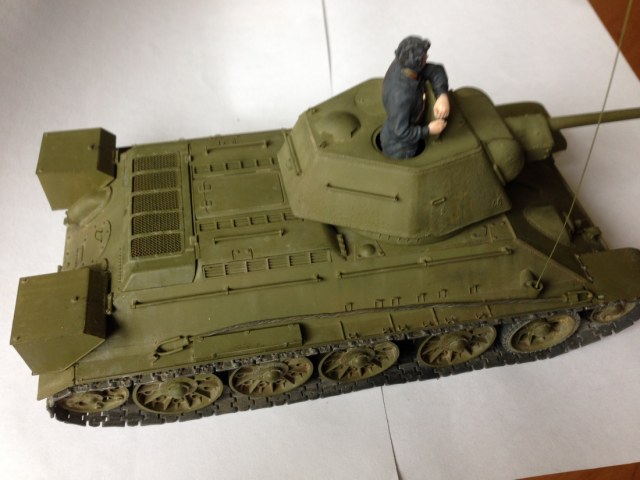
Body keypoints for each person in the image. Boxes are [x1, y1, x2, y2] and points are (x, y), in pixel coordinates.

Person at [380, 36, 450, 159]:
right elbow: (400, 132)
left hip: (405, 125)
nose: (427, 57)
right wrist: (428, 130)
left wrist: (442, 95)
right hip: (402, 149)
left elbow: (436, 70)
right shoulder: (400, 96)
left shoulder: (404, 64)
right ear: (417, 62)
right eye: (424, 57)